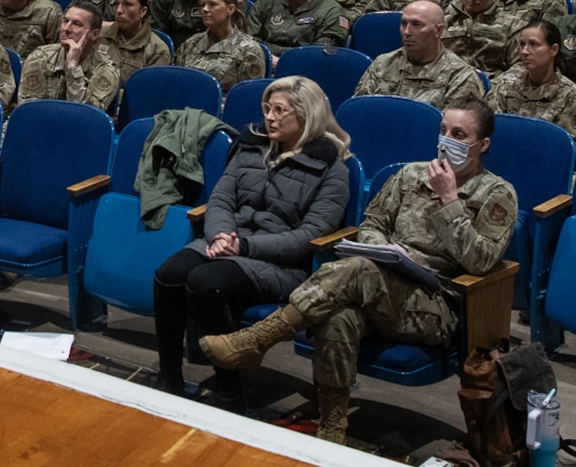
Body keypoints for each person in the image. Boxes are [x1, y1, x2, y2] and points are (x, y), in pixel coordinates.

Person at [202, 100, 518, 445]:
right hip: (381, 281)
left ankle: (256, 341)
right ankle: (333, 426)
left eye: (459, 134)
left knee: (356, 272)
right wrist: (386, 251)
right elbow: (372, 224)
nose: (447, 140)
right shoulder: (410, 175)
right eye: (443, 131)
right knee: (341, 315)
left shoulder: (497, 193)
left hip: (436, 305)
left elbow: (481, 261)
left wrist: (449, 200)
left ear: (482, 145)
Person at [152, 76, 352, 402]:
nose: (269, 117)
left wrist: (244, 246)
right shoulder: (250, 146)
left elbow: (309, 236)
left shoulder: (331, 168)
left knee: (205, 281)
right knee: (169, 274)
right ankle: (169, 375)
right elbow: (220, 200)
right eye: (267, 109)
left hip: (280, 262)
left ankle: (231, 389)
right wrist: (220, 235)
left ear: (307, 115)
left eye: (279, 110)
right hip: (228, 242)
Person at [354, 0, 486, 107]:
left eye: (417, 25)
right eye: (404, 23)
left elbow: (453, 132)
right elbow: (359, 110)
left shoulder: (461, 76)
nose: (407, 32)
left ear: (438, 31)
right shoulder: (383, 63)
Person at [487, 20, 576, 146]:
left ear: (553, 50)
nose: (525, 51)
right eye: (522, 44)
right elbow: (486, 128)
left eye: (533, 44)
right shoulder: (507, 83)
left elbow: (567, 150)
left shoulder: (572, 97)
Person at [16, 3, 119, 110]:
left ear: (95, 34)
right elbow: (28, 109)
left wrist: (72, 67)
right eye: (65, 21)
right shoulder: (40, 56)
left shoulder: (107, 69)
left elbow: (86, 114)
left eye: (77, 24)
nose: (66, 28)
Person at [175, 0, 267, 91]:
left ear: (230, 10)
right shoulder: (191, 44)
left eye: (212, 5)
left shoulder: (249, 50)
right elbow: (177, 83)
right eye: (202, 5)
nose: (205, 9)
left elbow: (248, 95)